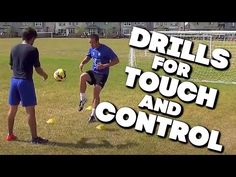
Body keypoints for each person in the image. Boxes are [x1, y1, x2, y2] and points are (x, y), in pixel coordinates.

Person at [6, 27, 49, 144]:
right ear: (32, 38)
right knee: (30, 111)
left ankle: (10, 135)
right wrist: (45, 75)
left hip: (14, 80)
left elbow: (11, 66)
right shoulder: (33, 49)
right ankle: (35, 138)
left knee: (12, 109)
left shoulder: (13, 48)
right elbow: (38, 69)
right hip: (25, 82)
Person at [79, 34, 119, 123]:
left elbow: (116, 60)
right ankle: (83, 98)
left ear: (97, 41)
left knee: (96, 92)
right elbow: (88, 57)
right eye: (90, 42)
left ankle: (93, 115)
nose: (91, 45)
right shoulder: (92, 49)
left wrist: (105, 65)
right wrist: (82, 63)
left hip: (102, 75)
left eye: (92, 43)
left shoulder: (106, 49)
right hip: (94, 72)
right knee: (83, 77)